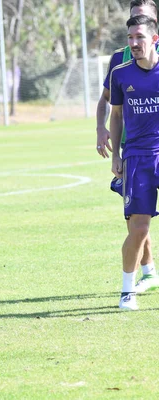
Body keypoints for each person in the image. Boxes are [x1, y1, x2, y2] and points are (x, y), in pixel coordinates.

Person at [96, 0, 159, 294]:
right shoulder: (119, 67)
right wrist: (112, 146)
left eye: (140, 33)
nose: (134, 41)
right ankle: (136, 281)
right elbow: (112, 108)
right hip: (135, 155)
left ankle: (148, 273)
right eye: (131, 34)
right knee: (137, 225)